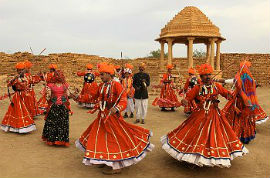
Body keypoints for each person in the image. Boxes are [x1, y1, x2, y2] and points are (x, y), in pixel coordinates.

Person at [161, 63, 248, 168]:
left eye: (209, 75)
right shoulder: (197, 88)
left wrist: (236, 91)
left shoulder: (216, 86)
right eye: (205, 75)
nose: (208, 77)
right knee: (197, 135)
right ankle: (193, 158)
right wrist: (185, 100)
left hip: (215, 114)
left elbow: (227, 95)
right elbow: (188, 97)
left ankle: (213, 156)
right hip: (200, 114)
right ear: (201, 77)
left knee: (215, 135)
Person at [75, 62, 154, 175]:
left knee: (114, 139)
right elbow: (92, 96)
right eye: (100, 74)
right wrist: (78, 97)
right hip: (102, 117)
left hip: (112, 117)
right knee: (103, 138)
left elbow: (123, 100)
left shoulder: (116, 85)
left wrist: (116, 108)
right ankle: (105, 159)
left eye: (102, 74)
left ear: (109, 74)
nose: (100, 77)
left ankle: (116, 166)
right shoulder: (101, 86)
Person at [219, 61, 268, 143]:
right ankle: (246, 135)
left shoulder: (238, 79)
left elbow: (228, 81)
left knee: (236, 117)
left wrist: (216, 80)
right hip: (248, 103)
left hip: (239, 101)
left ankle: (236, 135)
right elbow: (253, 86)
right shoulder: (251, 79)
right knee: (246, 118)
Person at [1, 62, 36, 133]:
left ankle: (24, 127)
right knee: (17, 111)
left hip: (25, 95)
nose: (21, 71)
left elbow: (27, 84)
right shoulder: (15, 78)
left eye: (22, 70)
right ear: (17, 71)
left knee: (25, 110)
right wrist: (14, 79)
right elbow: (8, 85)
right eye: (19, 70)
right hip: (18, 96)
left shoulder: (26, 77)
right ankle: (17, 127)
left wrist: (20, 80)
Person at [42, 70, 71, 146]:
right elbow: (68, 96)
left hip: (54, 106)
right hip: (63, 106)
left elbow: (48, 98)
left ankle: (52, 139)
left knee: (53, 123)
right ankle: (61, 140)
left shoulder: (51, 85)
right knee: (62, 123)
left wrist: (47, 92)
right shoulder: (66, 85)